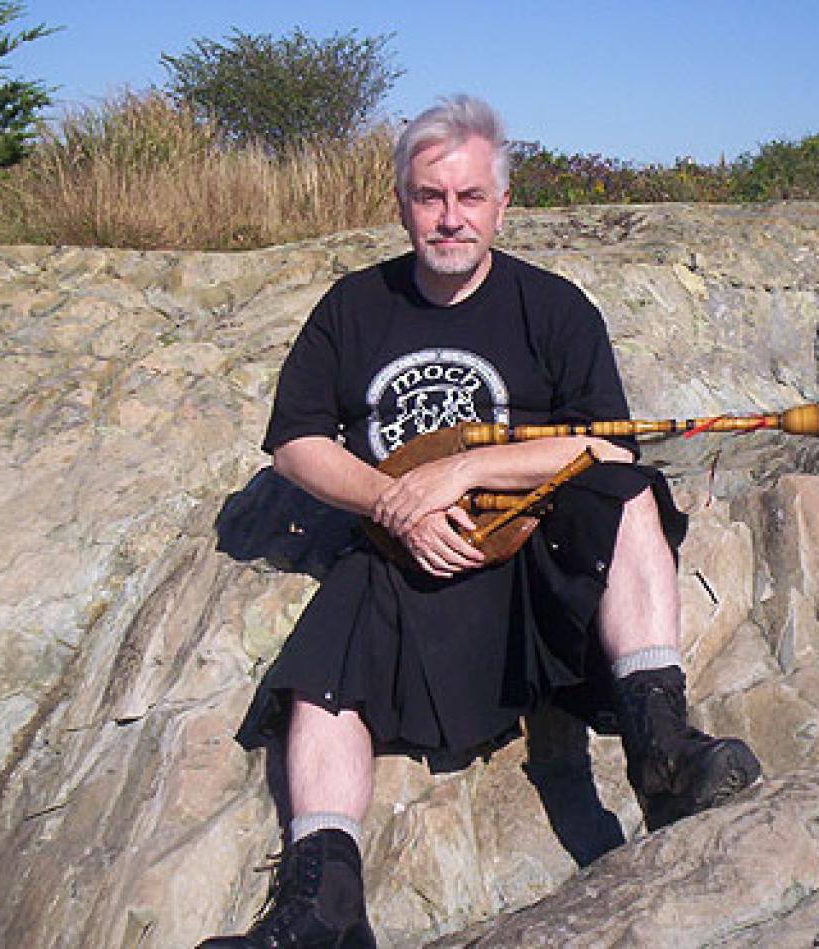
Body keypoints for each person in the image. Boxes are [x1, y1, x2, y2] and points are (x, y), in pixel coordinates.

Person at [198, 95, 761, 948]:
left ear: (502, 204)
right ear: (402, 203)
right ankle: (324, 904)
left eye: (469, 197)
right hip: (404, 557)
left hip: (537, 562)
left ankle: (663, 752)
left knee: (628, 495)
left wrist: (463, 468)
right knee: (318, 675)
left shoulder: (554, 308)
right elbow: (296, 444)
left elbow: (607, 446)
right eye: (430, 196)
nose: (450, 217)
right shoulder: (353, 308)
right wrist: (391, 501)